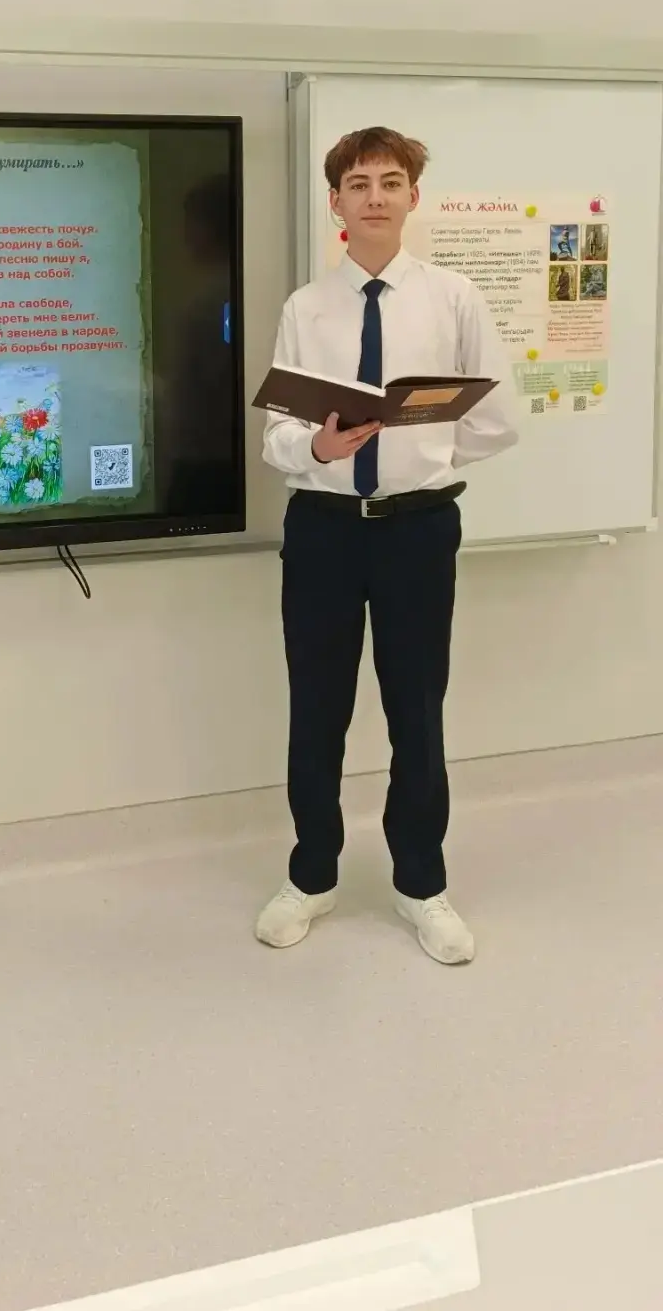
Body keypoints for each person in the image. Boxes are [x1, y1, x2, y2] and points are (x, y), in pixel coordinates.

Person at [256, 126, 517, 965]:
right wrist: (320, 447)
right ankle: (311, 875)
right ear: (335, 200)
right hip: (324, 530)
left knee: (416, 709)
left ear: (413, 197)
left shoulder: (454, 298)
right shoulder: (306, 307)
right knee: (317, 709)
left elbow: (498, 418)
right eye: (359, 183)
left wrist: (425, 455)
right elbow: (276, 434)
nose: (375, 196)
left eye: (390, 181)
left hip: (418, 530)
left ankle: (422, 883)